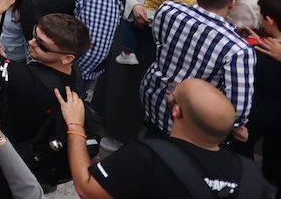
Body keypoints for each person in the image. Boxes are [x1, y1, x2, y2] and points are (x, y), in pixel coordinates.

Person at [0, 0, 93, 198]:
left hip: (0, 160)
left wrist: (1, 5)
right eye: (35, 34)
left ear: (67, 57)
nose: (32, 43)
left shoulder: (25, 79)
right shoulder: (73, 75)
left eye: (42, 45)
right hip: (31, 163)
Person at [60, 78, 268, 199]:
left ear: (176, 111)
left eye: (173, 92)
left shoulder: (143, 157)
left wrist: (75, 124)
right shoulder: (250, 176)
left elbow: (87, 189)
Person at [139, 0, 256, 139]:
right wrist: (237, 126)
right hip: (190, 118)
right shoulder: (238, 48)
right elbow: (237, 105)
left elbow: (159, 40)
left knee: (151, 139)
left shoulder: (168, 9)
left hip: (153, 94)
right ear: (232, 4)